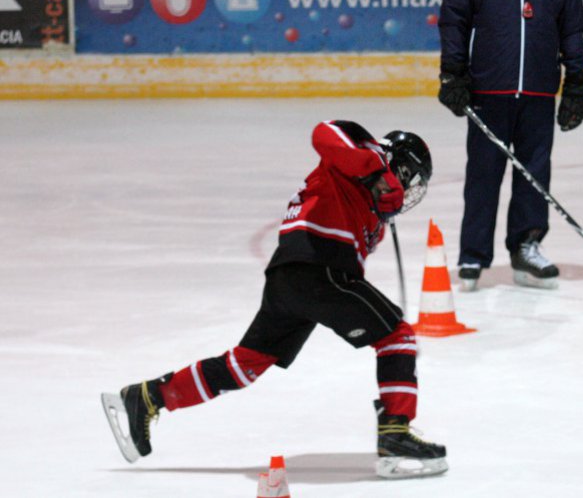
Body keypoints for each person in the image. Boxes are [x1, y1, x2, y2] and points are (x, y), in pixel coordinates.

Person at [101, 120, 448, 479]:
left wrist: (379, 199)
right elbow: (323, 132)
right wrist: (378, 173)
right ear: (403, 167)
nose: (408, 190)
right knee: (397, 335)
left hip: (295, 277)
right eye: (411, 178)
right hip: (319, 269)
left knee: (245, 364)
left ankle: (148, 397)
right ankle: (395, 434)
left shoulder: (376, 214)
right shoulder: (364, 151)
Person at [437, 0, 583, 292]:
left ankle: (526, 247)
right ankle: (473, 255)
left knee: (534, 177)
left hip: (539, 93)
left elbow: (571, 29)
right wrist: (453, 73)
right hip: (490, 91)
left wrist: (575, 83)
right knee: (483, 176)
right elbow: (454, 19)